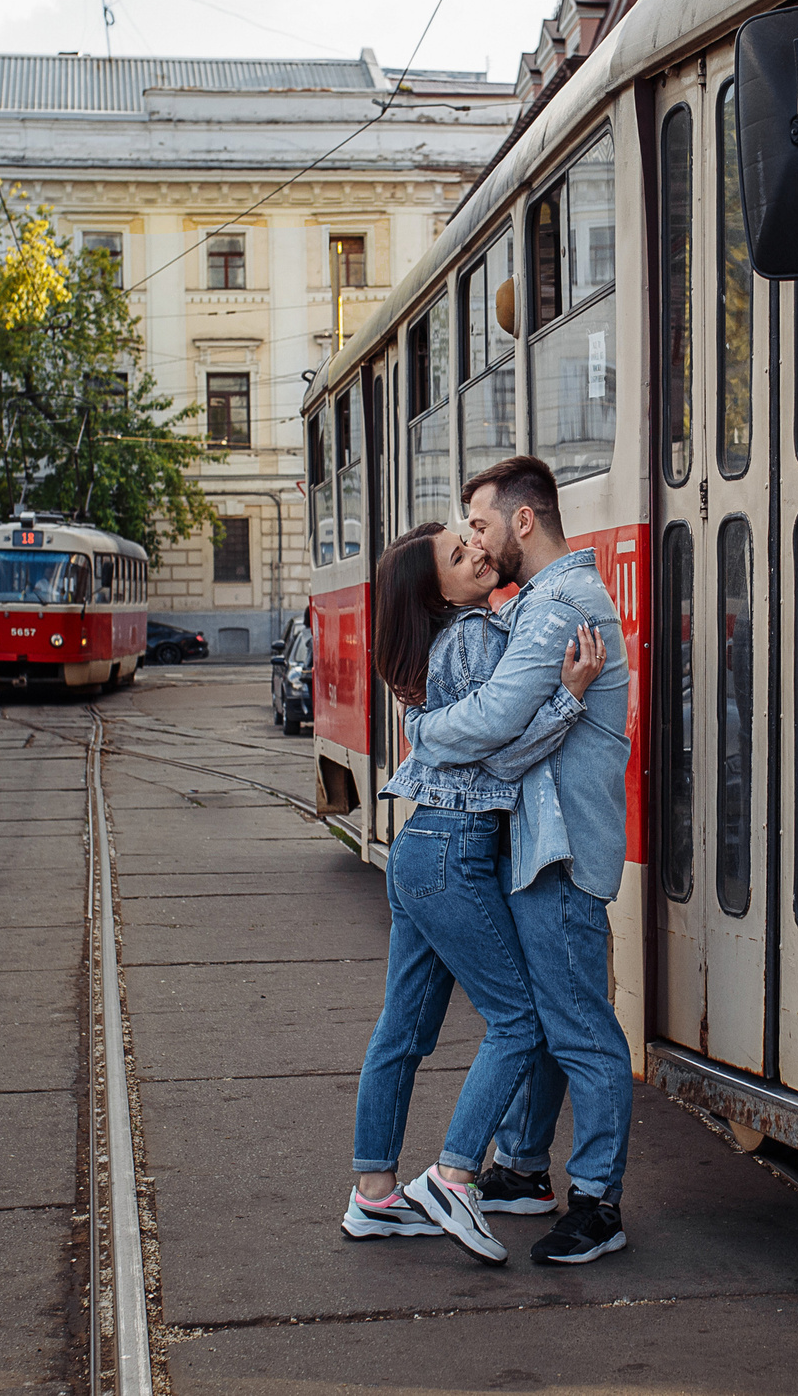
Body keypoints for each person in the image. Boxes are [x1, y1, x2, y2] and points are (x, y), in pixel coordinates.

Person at [345, 521, 605, 1266]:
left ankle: (374, 1193)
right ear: (438, 595)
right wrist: (569, 698)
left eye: (468, 539)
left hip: (419, 846)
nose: (477, 552)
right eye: (459, 558)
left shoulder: (443, 646)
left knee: (402, 1030)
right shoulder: (474, 638)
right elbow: (505, 755)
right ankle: (455, 1174)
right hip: (454, 849)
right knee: (520, 1019)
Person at [405, 455, 635, 1265]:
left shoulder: (560, 604)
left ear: (523, 520)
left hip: (561, 849)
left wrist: (422, 731)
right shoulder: (538, 603)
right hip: (544, 844)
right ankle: (525, 1168)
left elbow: (496, 725)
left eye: (481, 522)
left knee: (580, 1029)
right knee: (542, 1020)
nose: (474, 537)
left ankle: (599, 1203)